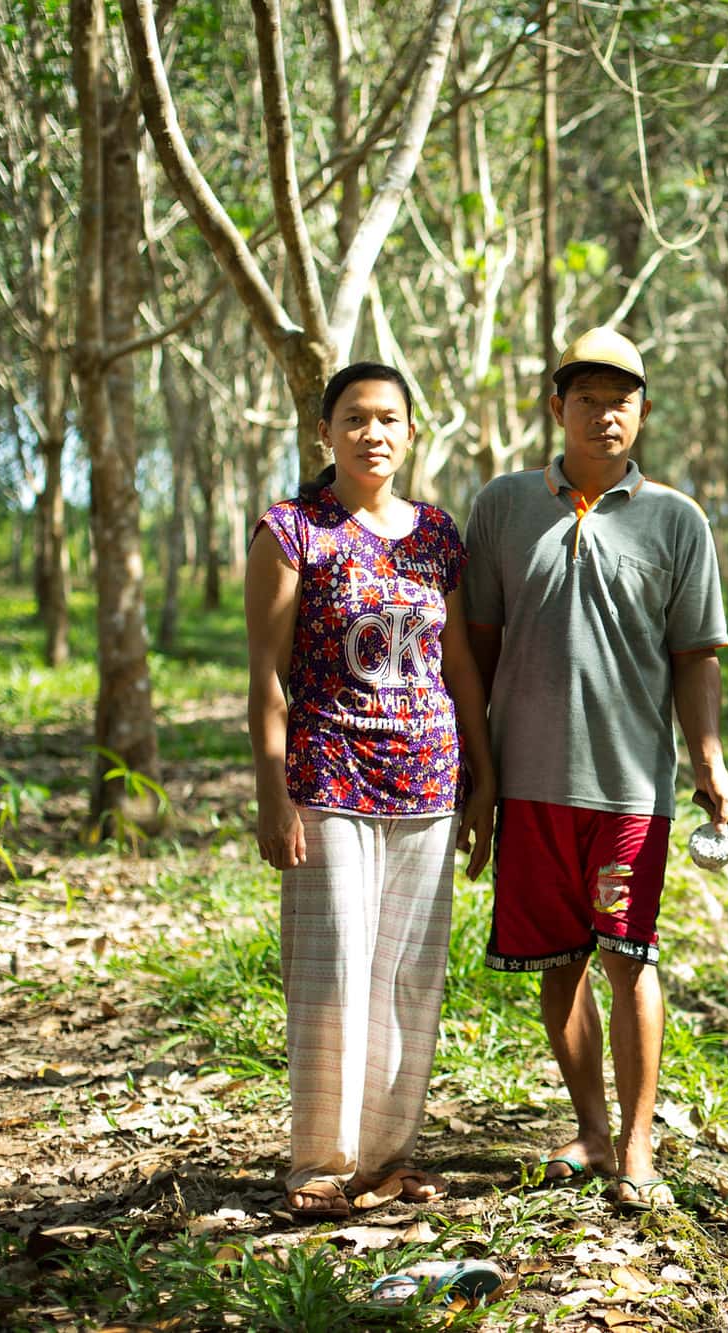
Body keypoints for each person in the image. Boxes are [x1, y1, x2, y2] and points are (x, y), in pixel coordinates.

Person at [465, 327, 728, 1212]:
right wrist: (479, 776)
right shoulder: (504, 507)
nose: (605, 414)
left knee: (631, 955)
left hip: (630, 783)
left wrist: (709, 762)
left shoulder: (676, 519)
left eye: (621, 400)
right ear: (558, 409)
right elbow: (473, 645)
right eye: (586, 398)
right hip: (531, 782)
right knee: (560, 964)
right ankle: (589, 1125)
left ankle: (636, 1146)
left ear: (643, 413)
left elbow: (696, 654)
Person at [246, 361, 498, 1221]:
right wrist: (271, 793)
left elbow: (458, 664)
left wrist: (483, 775)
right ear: (326, 432)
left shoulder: (436, 534)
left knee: (407, 977)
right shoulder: (292, 531)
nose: (373, 433)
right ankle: (319, 1162)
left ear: (412, 431)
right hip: (329, 776)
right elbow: (266, 678)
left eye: (389, 418)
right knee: (333, 969)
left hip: (427, 781)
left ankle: (389, 1157)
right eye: (355, 418)